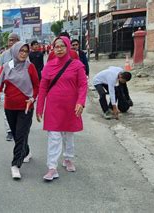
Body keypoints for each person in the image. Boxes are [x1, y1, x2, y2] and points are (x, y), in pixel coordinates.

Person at [36, 36, 88, 181]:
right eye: (56, 46)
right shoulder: (49, 66)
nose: (59, 49)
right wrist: (39, 107)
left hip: (71, 106)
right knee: (54, 136)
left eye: (62, 46)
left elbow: (83, 85)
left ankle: (68, 158)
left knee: (69, 134)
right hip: (53, 107)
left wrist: (80, 102)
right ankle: (52, 167)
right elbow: (43, 88)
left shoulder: (77, 65)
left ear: (68, 47)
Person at [0, 41, 40, 179]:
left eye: (26, 51)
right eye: (21, 51)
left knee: (20, 135)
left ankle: (15, 165)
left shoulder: (30, 67)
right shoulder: (6, 67)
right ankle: (26, 151)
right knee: (17, 135)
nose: (23, 53)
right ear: (14, 52)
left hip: (26, 107)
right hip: (10, 107)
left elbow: (37, 86)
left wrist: (32, 99)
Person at [0, 33, 20, 141]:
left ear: (18, 41)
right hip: (6, 87)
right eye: (9, 40)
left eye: (14, 40)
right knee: (6, 110)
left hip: (21, 87)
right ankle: (9, 131)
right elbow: (0, 71)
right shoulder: (3, 55)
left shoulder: (23, 54)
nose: (11, 42)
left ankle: (19, 127)